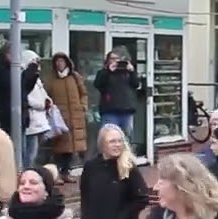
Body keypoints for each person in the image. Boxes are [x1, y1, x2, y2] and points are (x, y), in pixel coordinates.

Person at [42, 53, 90, 181]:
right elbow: (46, 96)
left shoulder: (74, 77)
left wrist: (83, 106)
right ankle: (57, 173)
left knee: (72, 147)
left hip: (75, 116)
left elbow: (83, 93)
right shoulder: (51, 79)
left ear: (67, 63)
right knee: (59, 147)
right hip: (60, 119)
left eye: (62, 61)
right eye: (57, 61)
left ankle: (66, 173)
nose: (60, 64)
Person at [94, 51, 141, 138]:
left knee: (126, 137)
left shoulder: (126, 72)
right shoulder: (103, 72)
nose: (115, 61)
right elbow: (98, 84)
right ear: (107, 60)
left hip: (126, 110)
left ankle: (126, 152)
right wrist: (108, 71)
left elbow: (136, 84)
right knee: (110, 136)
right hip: (110, 111)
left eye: (117, 59)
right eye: (112, 58)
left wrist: (132, 72)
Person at [20, 52, 52, 168]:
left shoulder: (35, 77)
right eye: (34, 61)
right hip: (31, 120)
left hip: (39, 120)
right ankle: (27, 172)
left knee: (34, 151)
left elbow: (42, 93)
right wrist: (42, 104)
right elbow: (27, 98)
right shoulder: (24, 76)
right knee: (30, 152)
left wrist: (48, 101)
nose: (37, 65)